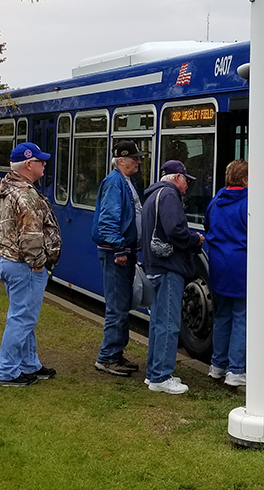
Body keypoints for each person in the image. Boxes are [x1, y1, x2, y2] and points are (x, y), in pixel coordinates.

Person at [0, 142, 62, 387]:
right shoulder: (25, 193)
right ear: (28, 164)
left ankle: (28, 364)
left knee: (25, 317)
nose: (44, 164)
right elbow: (31, 234)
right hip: (25, 264)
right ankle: (8, 370)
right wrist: (38, 263)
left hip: (11, 260)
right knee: (22, 318)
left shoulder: (11, 188)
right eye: (40, 160)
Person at [141, 160, 204, 395]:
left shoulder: (153, 195)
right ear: (177, 178)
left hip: (156, 266)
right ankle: (161, 376)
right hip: (169, 267)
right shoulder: (169, 196)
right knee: (168, 324)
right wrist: (194, 240)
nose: (187, 185)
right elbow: (176, 231)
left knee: (158, 323)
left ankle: (153, 372)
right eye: (186, 180)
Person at [91, 140, 147, 377]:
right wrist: (120, 249)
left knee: (122, 306)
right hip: (117, 254)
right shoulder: (115, 183)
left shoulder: (126, 182)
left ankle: (115, 353)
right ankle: (107, 357)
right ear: (121, 161)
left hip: (124, 251)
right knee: (117, 307)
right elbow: (108, 222)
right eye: (135, 158)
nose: (139, 162)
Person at [204, 160, 248, 388]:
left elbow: (207, 226)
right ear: (245, 179)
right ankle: (236, 370)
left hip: (218, 265)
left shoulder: (215, 201)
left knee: (222, 315)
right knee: (242, 317)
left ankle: (217, 365)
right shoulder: (249, 202)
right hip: (241, 266)